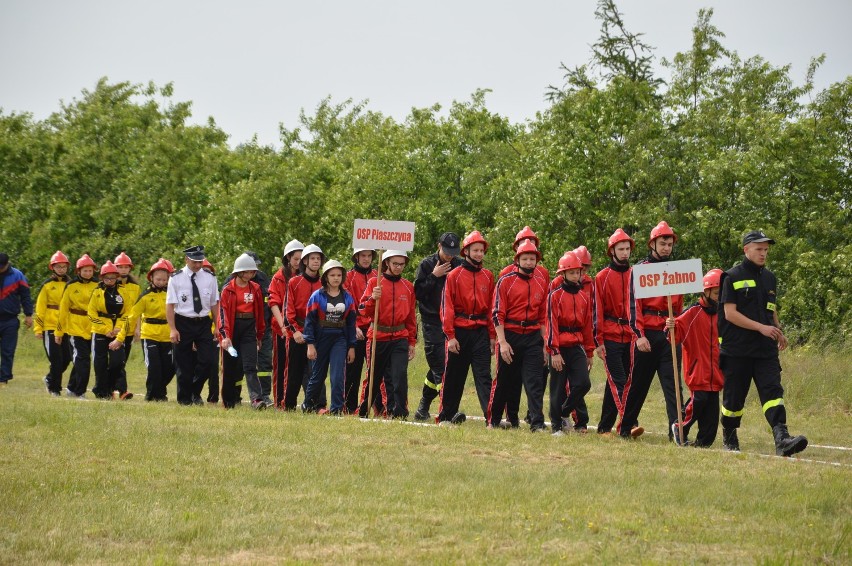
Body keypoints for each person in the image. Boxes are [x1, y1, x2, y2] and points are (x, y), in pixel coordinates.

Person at [717, 231, 807, 457]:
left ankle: (782, 438)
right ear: (746, 249)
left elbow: (770, 307)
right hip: (737, 349)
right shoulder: (731, 276)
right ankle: (729, 436)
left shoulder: (770, 278)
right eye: (759, 249)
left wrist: (777, 330)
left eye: (766, 250)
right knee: (733, 399)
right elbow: (730, 314)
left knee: (773, 391)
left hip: (765, 349)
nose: (763, 253)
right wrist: (760, 327)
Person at [619, 221, 684, 440]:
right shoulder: (640, 270)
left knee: (673, 386)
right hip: (646, 335)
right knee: (637, 385)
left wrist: (678, 326)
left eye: (669, 244)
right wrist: (638, 336)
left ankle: (677, 431)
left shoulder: (677, 271)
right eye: (662, 243)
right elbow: (632, 306)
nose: (666, 247)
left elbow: (679, 306)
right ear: (652, 244)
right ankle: (625, 427)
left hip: (669, 335)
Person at [487, 239, 549, 432]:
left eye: (533, 258)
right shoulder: (505, 281)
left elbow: (543, 317)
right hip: (510, 335)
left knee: (535, 381)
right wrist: (502, 342)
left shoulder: (541, 282)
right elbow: (497, 314)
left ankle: (537, 423)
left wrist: (546, 344)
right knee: (504, 381)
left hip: (532, 337)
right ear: (518, 260)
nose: (530, 262)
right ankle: (494, 420)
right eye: (526, 258)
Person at [436, 231, 495, 424]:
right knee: (454, 376)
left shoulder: (488, 276)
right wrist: (450, 336)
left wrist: (492, 336)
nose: (479, 254)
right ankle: (445, 416)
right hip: (459, 332)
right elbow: (447, 307)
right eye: (475, 250)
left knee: (484, 376)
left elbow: (492, 309)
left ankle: (491, 418)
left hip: (480, 333)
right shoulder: (454, 275)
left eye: (481, 250)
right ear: (466, 251)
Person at [666, 269, 725, 447]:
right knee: (699, 401)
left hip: (716, 373)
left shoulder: (724, 314)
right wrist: (670, 326)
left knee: (712, 414)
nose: (719, 297)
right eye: (716, 293)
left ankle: (703, 442)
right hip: (698, 371)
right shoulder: (692, 312)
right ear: (705, 292)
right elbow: (673, 336)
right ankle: (679, 426)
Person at [358, 250, 417, 419]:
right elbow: (362, 310)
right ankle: (364, 411)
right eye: (395, 264)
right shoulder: (374, 283)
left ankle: (399, 412)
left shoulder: (408, 286)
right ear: (387, 263)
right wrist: (372, 299)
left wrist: (411, 342)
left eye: (402, 264)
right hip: (378, 336)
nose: (399, 267)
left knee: (399, 377)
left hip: (400, 337)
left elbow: (411, 317)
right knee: (374, 377)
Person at [593, 229, 641, 437]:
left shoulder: (637, 274)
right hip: (611, 335)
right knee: (620, 380)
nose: (625, 253)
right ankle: (630, 423)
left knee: (616, 382)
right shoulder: (601, 277)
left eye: (627, 249)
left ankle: (605, 426)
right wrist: (598, 340)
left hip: (631, 336)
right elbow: (597, 311)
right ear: (612, 251)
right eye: (620, 249)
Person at [413, 232, 462, 420]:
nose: (449, 256)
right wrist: (434, 276)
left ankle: (422, 408)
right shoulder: (426, 265)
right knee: (441, 366)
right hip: (431, 321)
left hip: (452, 322)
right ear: (438, 245)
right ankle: (448, 411)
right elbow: (417, 292)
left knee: (438, 367)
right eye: (446, 251)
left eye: (453, 252)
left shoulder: (459, 265)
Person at [546, 251, 594, 436]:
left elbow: (588, 326)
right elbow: (552, 324)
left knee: (583, 383)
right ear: (563, 274)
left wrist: (589, 352)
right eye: (572, 272)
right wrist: (554, 351)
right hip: (559, 347)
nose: (576, 276)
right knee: (557, 388)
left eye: (578, 272)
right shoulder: (555, 296)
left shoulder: (584, 297)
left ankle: (565, 412)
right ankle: (556, 426)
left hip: (577, 346)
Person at [166, 245, 220, 406]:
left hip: (203, 322)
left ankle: (194, 391)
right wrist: (173, 329)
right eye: (194, 261)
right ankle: (184, 399)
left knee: (208, 361)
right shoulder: (176, 278)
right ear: (186, 259)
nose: (197, 265)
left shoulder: (210, 277)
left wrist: (218, 326)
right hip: (183, 321)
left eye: (200, 261)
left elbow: (214, 304)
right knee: (183, 364)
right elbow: (170, 305)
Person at [302, 259, 357, 414]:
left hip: (339, 339)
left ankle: (337, 409)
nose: (336, 278)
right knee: (318, 375)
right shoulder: (316, 296)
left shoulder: (348, 298)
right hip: (321, 338)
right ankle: (308, 404)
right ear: (325, 277)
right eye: (332, 275)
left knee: (337, 375)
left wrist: (351, 346)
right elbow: (309, 322)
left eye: (339, 275)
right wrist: (310, 344)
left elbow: (351, 324)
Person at [223, 250, 274, 408]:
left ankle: (256, 400)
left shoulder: (256, 289)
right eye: (249, 270)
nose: (252, 273)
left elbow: (260, 312)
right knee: (231, 366)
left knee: (250, 366)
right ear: (239, 271)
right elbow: (223, 314)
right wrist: (225, 336)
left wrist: (259, 335)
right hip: (232, 330)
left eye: (253, 271)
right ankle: (229, 400)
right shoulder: (227, 290)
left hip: (249, 330)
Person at [283, 243, 326, 410]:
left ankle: (318, 405)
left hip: (318, 333)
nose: (316, 262)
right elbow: (288, 310)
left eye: (318, 259)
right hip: (297, 332)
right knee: (295, 371)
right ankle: (289, 405)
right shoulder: (294, 282)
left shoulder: (325, 284)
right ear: (305, 261)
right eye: (312, 258)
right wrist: (294, 332)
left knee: (317, 370)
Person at [129, 259, 174, 401]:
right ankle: (152, 395)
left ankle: (159, 392)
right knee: (154, 368)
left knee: (170, 367)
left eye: (164, 279)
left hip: (168, 335)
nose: (161, 282)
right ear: (151, 278)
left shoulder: (172, 295)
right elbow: (132, 316)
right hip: (149, 335)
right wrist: (120, 337)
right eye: (158, 279)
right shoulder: (145, 296)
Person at [88, 261, 133, 400]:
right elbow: (91, 313)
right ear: (102, 278)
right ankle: (102, 392)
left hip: (118, 332)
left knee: (117, 362)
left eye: (113, 277)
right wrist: (105, 328)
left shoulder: (123, 291)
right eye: (107, 278)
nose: (110, 280)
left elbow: (129, 312)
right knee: (100, 363)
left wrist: (118, 327)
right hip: (101, 331)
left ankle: (110, 387)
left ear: (117, 277)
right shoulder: (96, 292)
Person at [56, 254, 98, 398]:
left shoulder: (98, 285)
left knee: (81, 361)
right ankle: (80, 392)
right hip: (75, 328)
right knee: (83, 360)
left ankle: (71, 388)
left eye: (90, 271)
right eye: (85, 270)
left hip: (93, 327)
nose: (88, 273)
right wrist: (59, 332)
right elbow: (63, 310)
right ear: (78, 271)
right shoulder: (71, 286)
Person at [268, 239, 304, 409]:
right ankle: (278, 401)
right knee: (281, 364)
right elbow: (273, 302)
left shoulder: (305, 277)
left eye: (301, 259)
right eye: (296, 258)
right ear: (288, 258)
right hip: (281, 328)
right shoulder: (279, 277)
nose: (298, 262)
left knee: (298, 367)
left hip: (300, 328)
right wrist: (283, 325)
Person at [343, 248, 378, 414]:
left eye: (369, 256)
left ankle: (377, 407)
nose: (366, 259)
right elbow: (346, 304)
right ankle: (349, 407)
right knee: (353, 371)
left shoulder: (378, 276)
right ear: (356, 257)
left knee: (376, 370)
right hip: (354, 329)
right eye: (363, 256)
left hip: (374, 329)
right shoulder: (348, 277)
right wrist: (354, 326)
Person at [34, 251, 72, 396]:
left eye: (64, 267)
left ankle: (50, 378)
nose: (61, 269)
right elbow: (40, 308)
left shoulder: (71, 284)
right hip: (50, 326)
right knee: (56, 359)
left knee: (67, 358)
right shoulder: (47, 285)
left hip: (67, 326)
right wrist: (38, 328)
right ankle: (54, 389)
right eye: (58, 267)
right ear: (53, 267)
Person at [0, 253, 34, 385]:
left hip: (10, 320)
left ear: (7, 264)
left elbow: (25, 296)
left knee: (8, 350)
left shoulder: (17, 276)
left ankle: (4, 378)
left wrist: (28, 314)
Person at [114, 252, 141, 391]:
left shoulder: (136, 288)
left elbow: (138, 309)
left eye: (126, 267)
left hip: (130, 327)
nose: (123, 270)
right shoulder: (111, 285)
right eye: (120, 267)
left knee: (122, 360)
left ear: (130, 269)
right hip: (115, 328)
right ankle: (122, 390)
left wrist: (138, 328)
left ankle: (114, 387)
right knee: (117, 360)